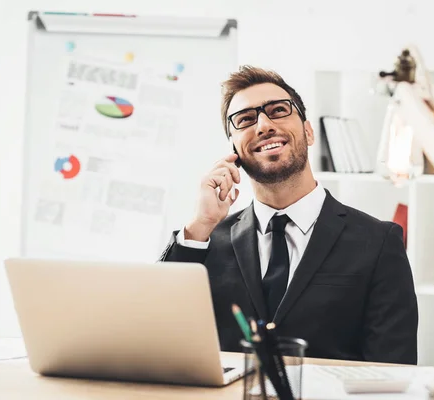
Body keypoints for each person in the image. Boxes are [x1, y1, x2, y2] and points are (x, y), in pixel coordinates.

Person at [159, 65, 418, 364]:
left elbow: (394, 372)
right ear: (234, 149)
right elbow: (157, 327)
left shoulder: (379, 242)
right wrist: (200, 225)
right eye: (245, 119)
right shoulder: (204, 240)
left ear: (308, 132)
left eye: (278, 110)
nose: (264, 125)